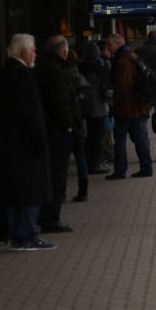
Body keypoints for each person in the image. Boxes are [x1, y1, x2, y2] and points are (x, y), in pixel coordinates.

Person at [0, 33, 56, 251]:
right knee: (31, 192)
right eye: (33, 50)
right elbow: (32, 114)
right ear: (22, 52)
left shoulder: (1, 75)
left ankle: (16, 238)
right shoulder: (24, 76)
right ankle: (30, 235)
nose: (35, 54)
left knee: (12, 193)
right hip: (26, 146)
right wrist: (40, 143)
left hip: (6, 145)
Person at [35, 35, 77, 231]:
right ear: (64, 51)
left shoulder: (38, 70)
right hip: (57, 133)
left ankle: (42, 216)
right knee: (58, 176)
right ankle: (52, 219)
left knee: (46, 175)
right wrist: (68, 125)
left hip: (43, 130)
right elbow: (61, 104)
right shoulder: (58, 73)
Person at [105, 32, 153, 179]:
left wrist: (114, 103)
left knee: (120, 140)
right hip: (138, 107)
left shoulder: (123, 61)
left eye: (109, 45)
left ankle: (121, 170)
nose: (108, 48)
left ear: (116, 43)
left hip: (127, 108)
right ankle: (146, 168)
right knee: (140, 139)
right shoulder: (132, 56)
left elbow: (122, 86)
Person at [79, 41, 111, 173]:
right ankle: (97, 163)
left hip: (86, 107)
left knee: (89, 138)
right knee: (99, 137)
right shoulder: (100, 66)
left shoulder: (81, 67)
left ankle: (90, 163)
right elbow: (105, 87)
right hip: (99, 107)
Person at [65, 49, 89, 202]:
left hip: (66, 123)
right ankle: (83, 190)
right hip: (80, 122)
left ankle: (60, 193)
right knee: (81, 158)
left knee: (61, 161)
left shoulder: (60, 76)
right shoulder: (80, 77)